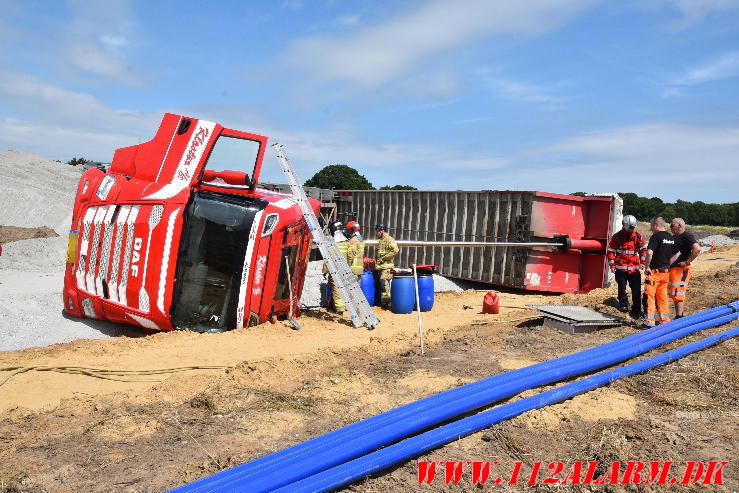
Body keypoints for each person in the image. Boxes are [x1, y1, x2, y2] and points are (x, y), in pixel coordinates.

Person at [642, 217, 679, 328]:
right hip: (665, 273)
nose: (650, 228)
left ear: (656, 225)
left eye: (651, 225)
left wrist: (647, 267)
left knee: (650, 296)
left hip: (654, 272)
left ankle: (649, 321)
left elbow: (649, 252)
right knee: (662, 297)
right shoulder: (670, 238)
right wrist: (668, 263)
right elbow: (677, 253)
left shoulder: (656, 237)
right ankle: (664, 320)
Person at [607, 214, 646, 318]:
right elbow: (611, 250)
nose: (631, 230)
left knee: (636, 289)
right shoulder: (617, 236)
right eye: (629, 228)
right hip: (620, 268)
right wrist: (612, 264)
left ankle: (636, 309)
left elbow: (643, 250)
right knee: (622, 288)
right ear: (624, 226)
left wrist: (642, 263)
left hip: (634, 268)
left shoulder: (638, 236)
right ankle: (623, 305)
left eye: (632, 228)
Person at [323, 221, 364, 315]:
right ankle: (352, 308)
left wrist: (325, 271)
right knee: (348, 289)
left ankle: (340, 310)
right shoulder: (348, 242)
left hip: (335, 270)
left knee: (337, 289)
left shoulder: (331, 243)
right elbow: (350, 256)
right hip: (346, 270)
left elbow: (327, 259)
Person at [669, 218, 701, 318]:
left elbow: (697, 248)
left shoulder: (687, 236)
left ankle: (679, 316)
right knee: (674, 293)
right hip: (674, 270)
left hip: (681, 270)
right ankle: (678, 316)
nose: (670, 226)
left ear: (679, 226)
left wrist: (687, 262)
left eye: (672, 224)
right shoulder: (675, 237)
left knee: (678, 292)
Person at [373, 223, 399, 307]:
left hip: (387, 267)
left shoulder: (389, 239)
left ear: (381, 231)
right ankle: (384, 301)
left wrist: (384, 258)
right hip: (381, 267)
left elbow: (395, 250)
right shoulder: (381, 240)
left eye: (377, 231)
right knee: (382, 285)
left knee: (384, 284)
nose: (376, 233)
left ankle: (387, 303)